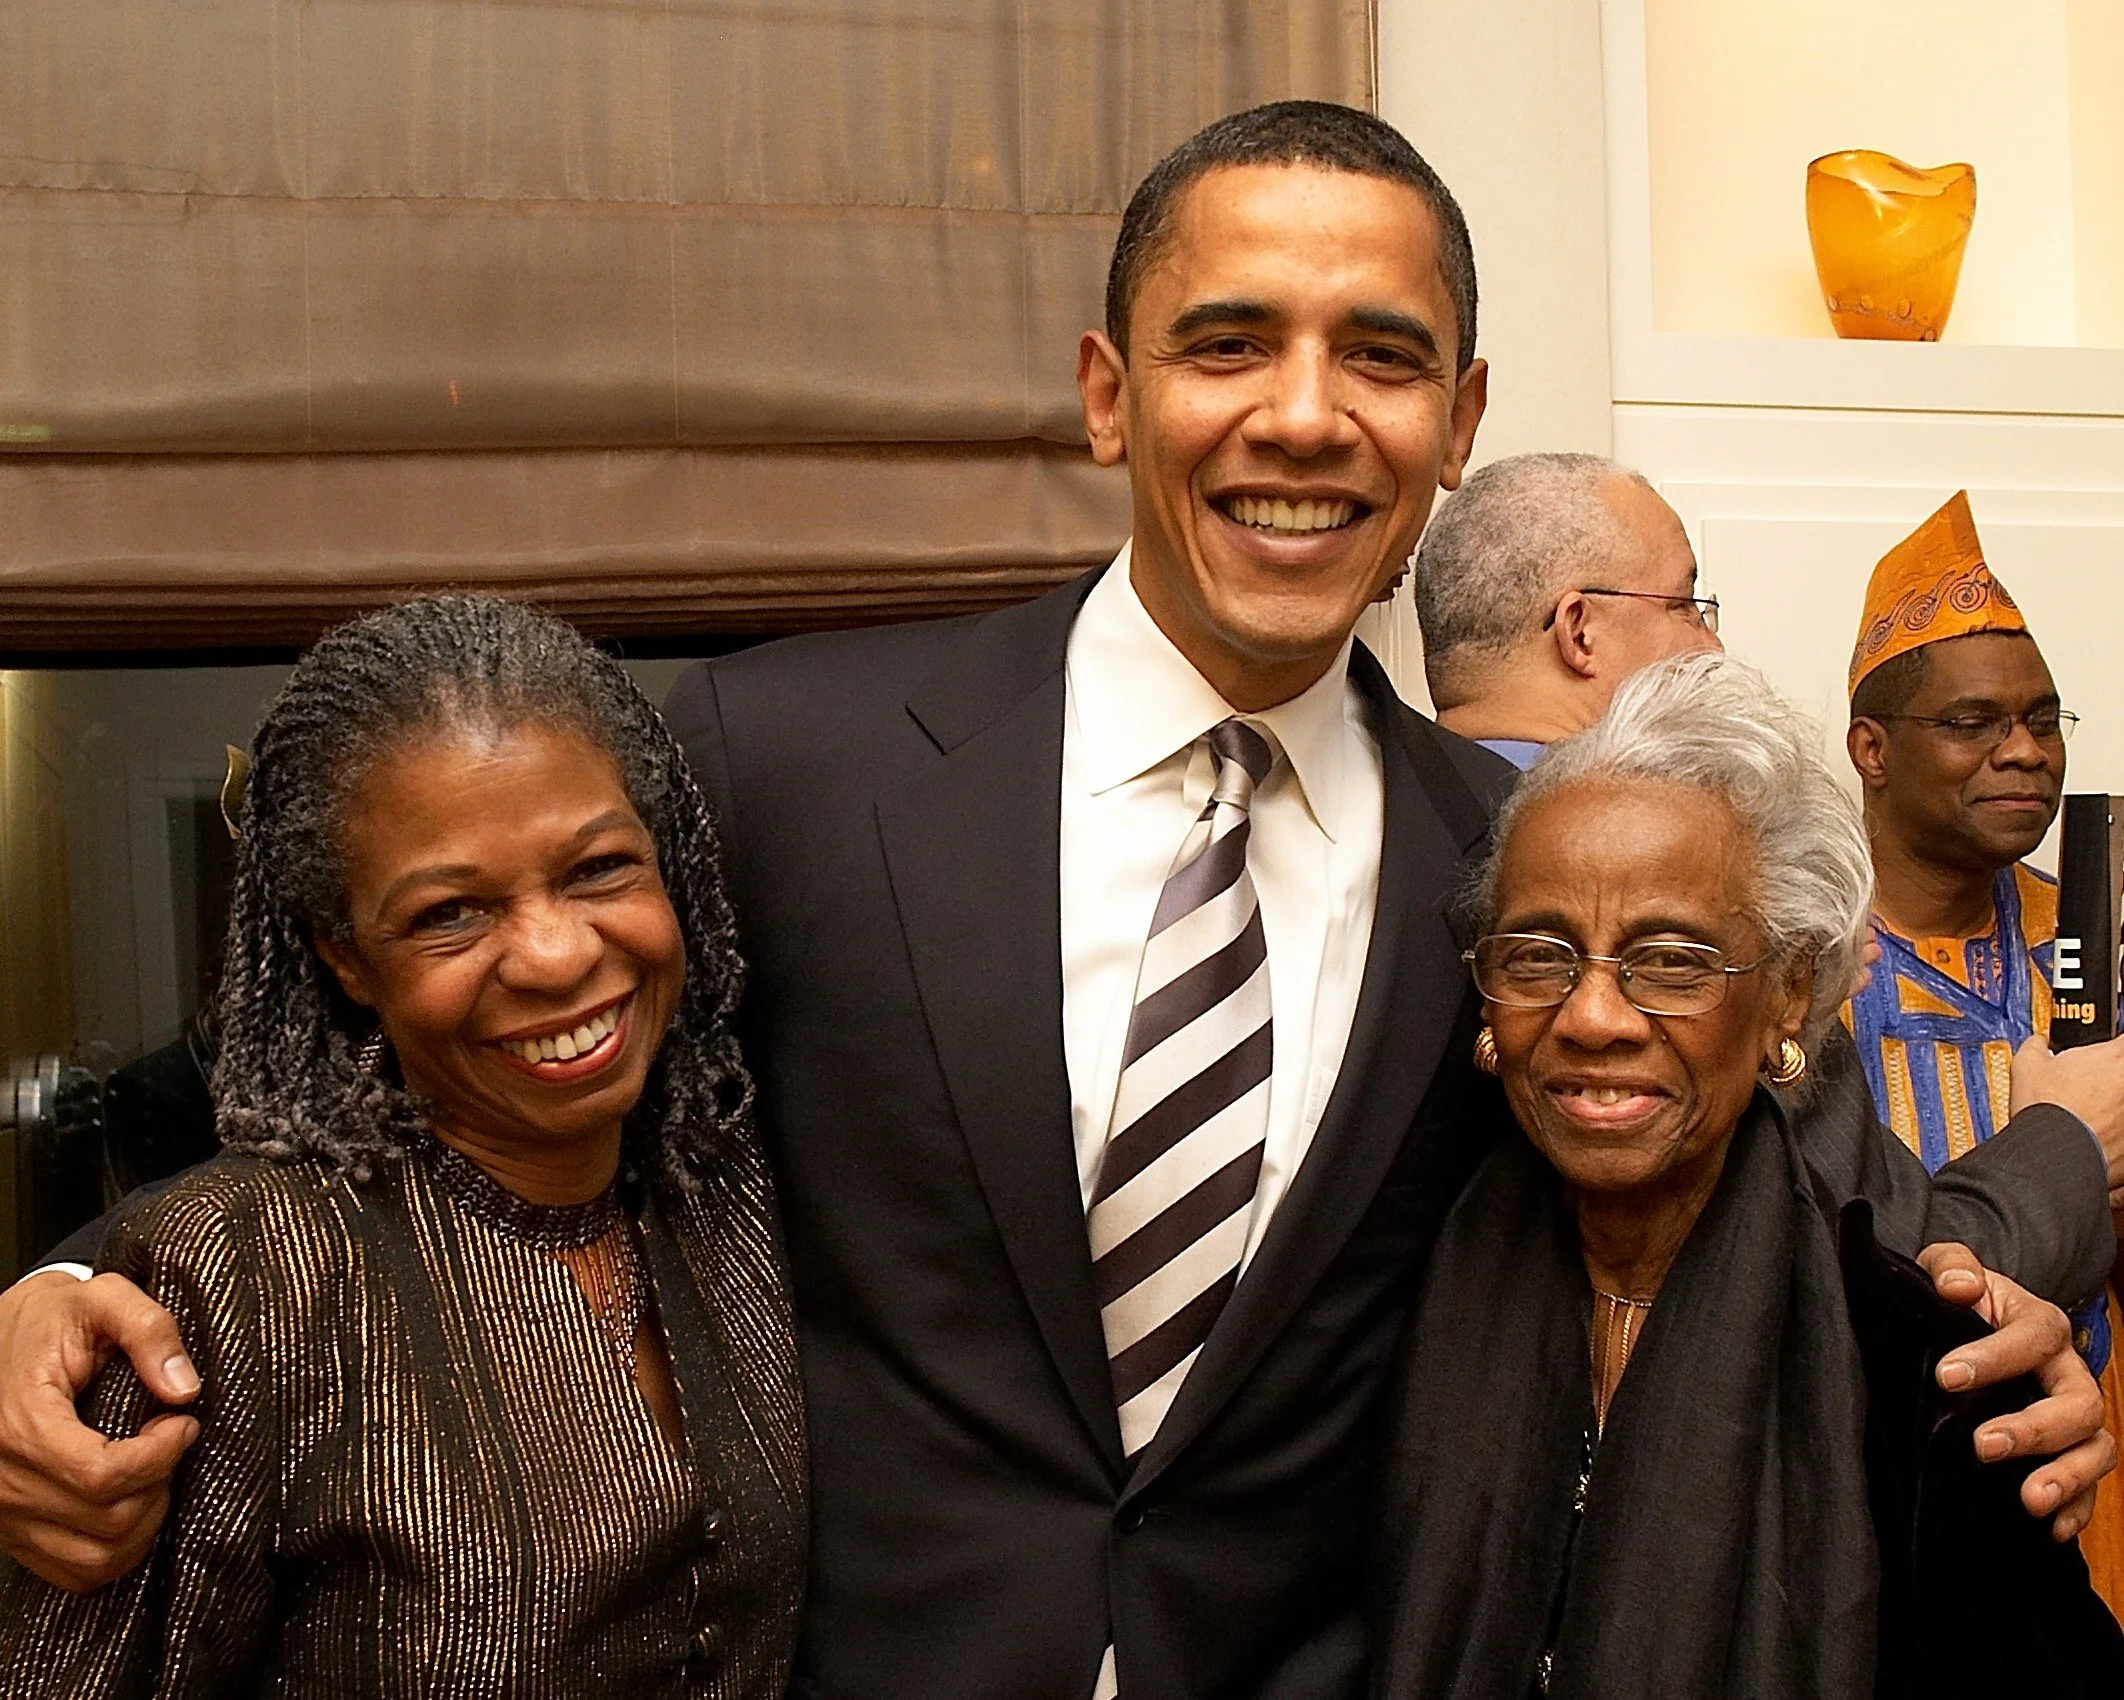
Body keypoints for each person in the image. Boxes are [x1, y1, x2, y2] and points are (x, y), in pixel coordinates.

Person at [0, 104, 2117, 1700]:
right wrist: (69, 1296)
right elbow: (412, 1084)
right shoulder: (786, 756)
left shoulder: (1526, 857)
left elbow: (1770, 1164)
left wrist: (1991, 1319)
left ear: (1457, 426)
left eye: (1381, 357)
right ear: (1112, 390)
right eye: (1229, 344)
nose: (1303, 414)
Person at [0, 597, 804, 1696]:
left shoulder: (723, 1197)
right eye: (448, 914)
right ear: (344, 957)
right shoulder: (247, 1274)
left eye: (599, 868)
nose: (558, 952)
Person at [1373, 653, 2124, 1699]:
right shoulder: (1390, 1301)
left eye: (1674, 959)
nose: (1593, 1016)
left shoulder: (1928, 1369)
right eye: (1539, 952)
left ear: (1789, 998)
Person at [1844, 489, 2124, 1615]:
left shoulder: (2088, 941)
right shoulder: (1800, 960)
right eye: (1972, 723)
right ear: (1871, 747)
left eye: (2046, 720)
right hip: (1875, 1459)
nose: (2025, 753)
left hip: (2083, 1463)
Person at [1413, 451, 1718, 768]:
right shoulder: (1629, 814)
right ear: (1580, 634)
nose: (1713, 648)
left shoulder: (1380, 805)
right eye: (1683, 605)